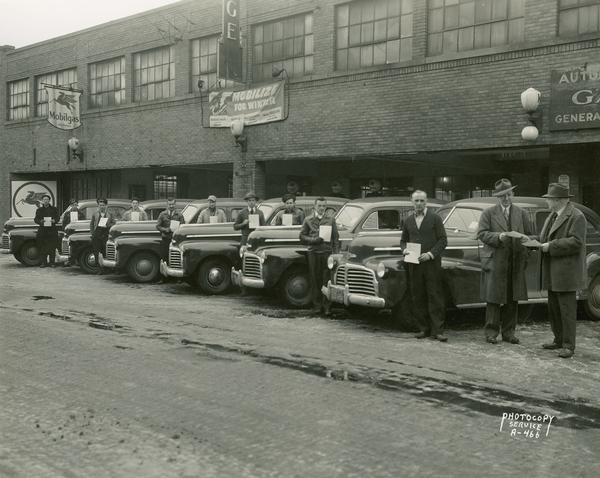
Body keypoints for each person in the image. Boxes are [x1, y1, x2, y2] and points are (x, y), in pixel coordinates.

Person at [477, 178, 533, 345]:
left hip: (515, 262)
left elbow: (530, 235)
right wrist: (498, 237)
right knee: (493, 299)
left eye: (508, 194)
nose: (506, 199)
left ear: (513, 194)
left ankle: (509, 333)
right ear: (497, 197)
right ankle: (491, 333)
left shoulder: (521, 213)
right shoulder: (488, 213)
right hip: (496, 261)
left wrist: (526, 252)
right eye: (502, 196)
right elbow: (482, 234)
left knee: (512, 298)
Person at [539, 183, 587, 359]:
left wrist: (550, 246)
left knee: (566, 310)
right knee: (554, 308)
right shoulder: (553, 215)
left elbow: (576, 242)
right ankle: (558, 339)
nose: (547, 202)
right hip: (554, 271)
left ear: (558, 200)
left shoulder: (576, 216)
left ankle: (568, 345)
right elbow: (546, 237)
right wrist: (533, 243)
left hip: (566, 273)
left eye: (549, 199)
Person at [401, 190, 448, 341]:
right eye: (417, 201)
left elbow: (443, 240)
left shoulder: (435, 218)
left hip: (432, 264)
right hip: (414, 263)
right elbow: (403, 240)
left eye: (422, 200)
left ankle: (438, 331)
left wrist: (430, 254)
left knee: (435, 296)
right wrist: (405, 250)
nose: (419, 203)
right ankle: (423, 328)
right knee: (418, 295)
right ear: (412, 202)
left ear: (426, 201)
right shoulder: (408, 220)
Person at [299, 197, 340, 315]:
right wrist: (313, 240)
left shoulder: (331, 220)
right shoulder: (308, 220)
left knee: (327, 279)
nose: (322, 208)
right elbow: (302, 236)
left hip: (327, 253)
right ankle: (317, 306)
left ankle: (327, 306)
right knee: (314, 278)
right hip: (313, 252)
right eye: (319, 206)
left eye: (323, 206)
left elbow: (335, 238)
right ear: (315, 207)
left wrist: (336, 254)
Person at [90, 198, 116, 274]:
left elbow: (114, 223)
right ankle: (99, 269)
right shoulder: (95, 213)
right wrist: (92, 233)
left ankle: (107, 268)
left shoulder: (110, 214)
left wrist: (107, 225)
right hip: (96, 234)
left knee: (105, 251)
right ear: (98, 206)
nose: (102, 207)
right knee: (97, 251)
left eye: (103, 205)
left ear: (106, 206)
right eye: (100, 205)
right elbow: (91, 224)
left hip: (105, 234)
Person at [156, 198, 186, 263]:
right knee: (165, 256)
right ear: (167, 205)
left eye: (172, 204)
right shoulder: (162, 214)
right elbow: (158, 226)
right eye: (170, 204)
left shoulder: (179, 215)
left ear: (175, 204)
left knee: (175, 256)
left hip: (176, 239)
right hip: (165, 239)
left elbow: (183, 227)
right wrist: (165, 229)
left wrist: (178, 230)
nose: (171, 206)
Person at [34, 194, 60, 267]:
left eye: (47, 199)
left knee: (52, 247)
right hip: (43, 231)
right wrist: (40, 221)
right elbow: (36, 219)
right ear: (42, 201)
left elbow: (58, 218)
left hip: (52, 231)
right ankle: (43, 262)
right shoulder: (39, 210)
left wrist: (54, 220)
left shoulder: (54, 209)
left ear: (49, 201)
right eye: (44, 199)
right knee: (43, 247)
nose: (46, 201)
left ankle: (52, 262)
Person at [61, 199, 85, 267]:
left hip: (77, 233)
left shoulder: (81, 214)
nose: (74, 206)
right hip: (69, 232)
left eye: (76, 205)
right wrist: (65, 231)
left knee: (78, 247)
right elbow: (64, 223)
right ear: (71, 205)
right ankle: (69, 260)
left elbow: (83, 223)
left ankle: (77, 260)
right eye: (73, 205)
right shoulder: (67, 214)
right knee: (68, 247)